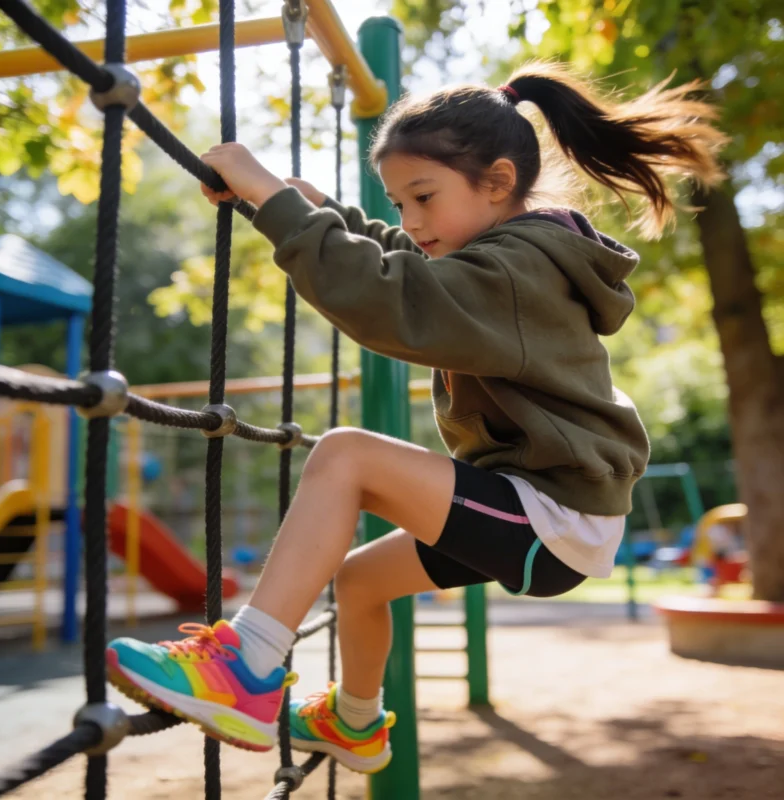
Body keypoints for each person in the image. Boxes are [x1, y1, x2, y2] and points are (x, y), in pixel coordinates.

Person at [106, 63, 725, 773]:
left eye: (422, 197)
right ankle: (356, 724)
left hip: (551, 516)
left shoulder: (517, 273)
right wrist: (319, 213)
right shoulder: (508, 255)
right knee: (361, 580)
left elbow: (397, 298)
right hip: (534, 508)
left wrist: (275, 200)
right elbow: (408, 262)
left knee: (345, 456)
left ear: (496, 182)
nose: (410, 220)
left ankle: (247, 667)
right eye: (400, 203)